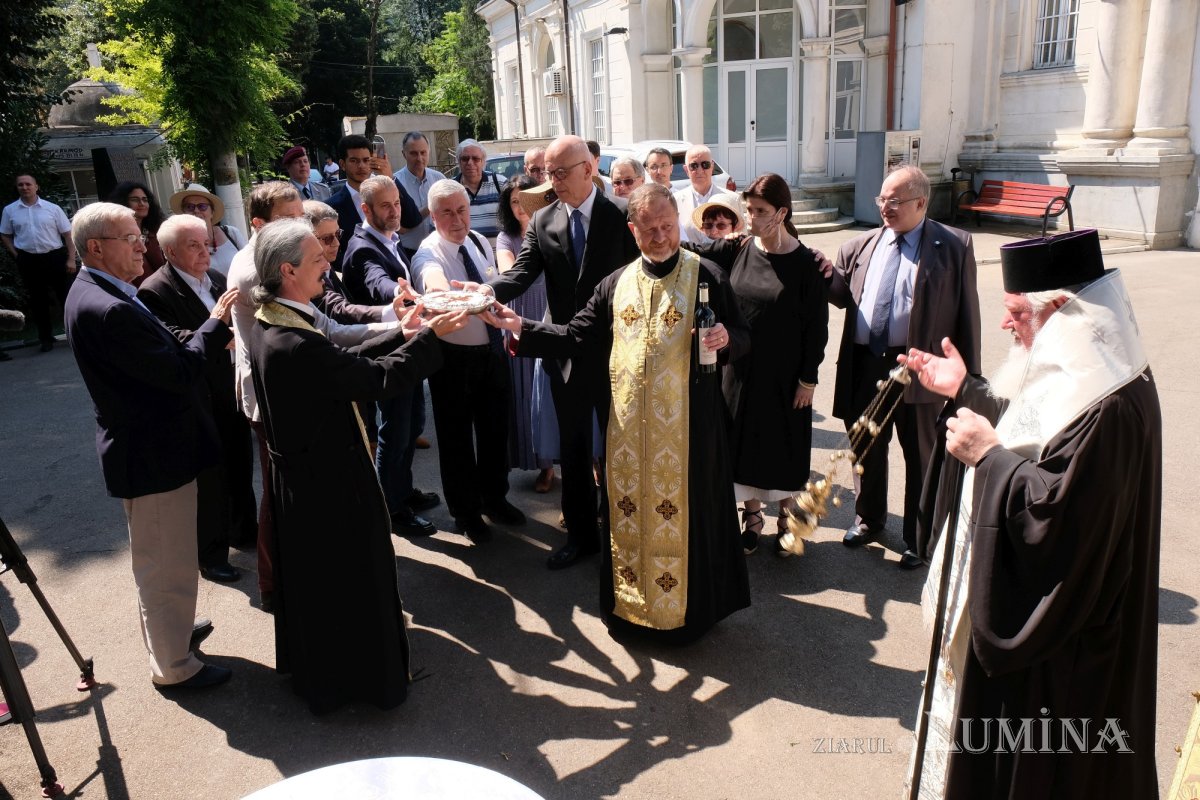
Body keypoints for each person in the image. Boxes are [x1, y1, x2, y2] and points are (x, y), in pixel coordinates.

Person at [900, 228, 1161, 799]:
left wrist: (986, 459)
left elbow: (1057, 520)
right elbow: (1036, 431)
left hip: (1065, 657)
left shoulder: (1110, 403)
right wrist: (966, 390)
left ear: (1062, 307)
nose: (1004, 324)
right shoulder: (1085, 369)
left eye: (1017, 311)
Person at [483, 183, 751, 642]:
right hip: (627, 435)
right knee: (628, 517)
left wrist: (727, 340)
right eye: (650, 229)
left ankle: (690, 615)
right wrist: (520, 327)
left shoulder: (705, 276)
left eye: (668, 226)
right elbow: (574, 335)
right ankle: (632, 608)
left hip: (688, 435)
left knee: (688, 520)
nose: (661, 237)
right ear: (634, 230)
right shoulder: (616, 284)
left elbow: (744, 338)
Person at [247, 217, 466, 714]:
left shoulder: (274, 318)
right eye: (317, 259)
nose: (328, 264)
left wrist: (402, 332)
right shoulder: (293, 342)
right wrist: (431, 337)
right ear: (287, 270)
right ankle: (363, 681)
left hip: (306, 477)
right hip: (329, 483)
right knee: (349, 580)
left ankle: (325, 672)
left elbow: (338, 359)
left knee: (321, 587)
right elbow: (369, 380)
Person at [64, 202, 238, 690]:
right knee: (165, 567)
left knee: (166, 559)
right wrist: (215, 323)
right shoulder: (109, 307)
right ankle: (175, 667)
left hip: (152, 448)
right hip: (153, 453)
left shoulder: (104, 289)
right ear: (96, 247)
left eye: (140, 234)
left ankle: (173, 634)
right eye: (130, 237)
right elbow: (177, 372)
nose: (142, 244)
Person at [228, 181, 402, 611]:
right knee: (285, 496)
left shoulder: (293, 260)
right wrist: (409, 332)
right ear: (260, 224)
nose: (304, 229)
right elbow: (327, 331)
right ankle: (278, 585)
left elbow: (329, 323)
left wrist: (397, 324)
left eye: (303, 218)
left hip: (298, 382)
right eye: (290, 219)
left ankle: (300, 584)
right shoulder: (265, 273)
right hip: (279, 394)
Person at [482, 135, 641, 569]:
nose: (552, 181)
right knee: (572, 448)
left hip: (617, 354)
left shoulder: (624, 217)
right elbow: (519, 275)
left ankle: (623, 531)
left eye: (560, 172)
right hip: (562, 351)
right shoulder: (543, 220)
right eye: (548, 173)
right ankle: (582, 535)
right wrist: (482, 291)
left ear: (589, 169)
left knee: (619, 447)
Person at [829, 164, 980, 570]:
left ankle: (919, 537)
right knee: (866, 449)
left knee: (922, 457)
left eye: (894, 201)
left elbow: (968, 318)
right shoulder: (859, 246)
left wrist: (968, 383)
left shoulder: (953, 246)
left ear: (921, 202)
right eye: (882, 199)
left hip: (919, 370)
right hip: (864, 364)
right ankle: (869, 520)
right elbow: (834, 292)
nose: (885, 208)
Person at [687, 175, 828, 554]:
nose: (750, 217)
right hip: (739, 371)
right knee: (740, 445)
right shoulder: (738, 249)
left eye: (759, 211)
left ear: (781, 213)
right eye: (748, 209)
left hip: (786, 377)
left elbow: (817, 330)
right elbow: (687, 252)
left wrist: (808, 380)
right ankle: (751, 517)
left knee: (781, 448)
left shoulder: (806, 264)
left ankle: (787, 517)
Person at [138, 213, 257, 583]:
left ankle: (245, 531)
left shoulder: (217, 279)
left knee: (240, 463)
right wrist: (221, 331)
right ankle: (211, 554)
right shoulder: (154, 290)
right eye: (194, 245)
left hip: (231, 388)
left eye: (206, 242)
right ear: (169, 251)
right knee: (210, 479)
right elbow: (177, 339)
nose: (206, 251)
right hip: (197, 396)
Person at [412, 180, 524, 542]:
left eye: (461, 209)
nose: (457, 219)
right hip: (453, 360)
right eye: (447, 212)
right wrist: (440, 294)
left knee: (495, 432)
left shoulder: (476, 241)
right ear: (432, 216)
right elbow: (433, 282)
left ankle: (495, 498)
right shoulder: (427, 253)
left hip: (491, 352)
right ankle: (465, 512)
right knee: (457, 439)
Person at [340, 175, 441, 536]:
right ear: (366, 209)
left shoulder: (388, 239)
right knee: (394, 432)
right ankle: (392, 508)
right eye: (385, 205)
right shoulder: (363, 247)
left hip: (406, 352)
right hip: (387, 357)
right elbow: (376, 280)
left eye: (397, 202)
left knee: (412, 425)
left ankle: (404, 490)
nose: (395, 210)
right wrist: (399, 294)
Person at [496, 176, 556, 494]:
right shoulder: (506, 238)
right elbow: (509, 271)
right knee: (525, 393)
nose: (520, 207)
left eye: (526, 200)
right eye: (514, 201)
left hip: (550, 313)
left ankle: (564, 465)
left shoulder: (551, 229)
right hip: (519, 315)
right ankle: (540, 465)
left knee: (549, 392)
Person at [1, 174, 76, 351]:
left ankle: (75, 334)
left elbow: (68, 234)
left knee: (66, 297)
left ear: (36, 187)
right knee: (38, 301)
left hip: (54, 256)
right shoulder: (10, 210)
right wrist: (16, 255)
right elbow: (4, 234)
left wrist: (71, 259)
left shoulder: (52, 208)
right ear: (17, 188)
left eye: (28, 184)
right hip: (28, 259)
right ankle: (46, 339)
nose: (25, 187)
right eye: (21, 185)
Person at [327, 134, 421, 271]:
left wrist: (390, 178)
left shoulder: (387, 191)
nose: (361, 166)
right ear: (342, 164)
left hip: (400, 272)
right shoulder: (332, 207)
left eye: (366, 160)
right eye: (354, 161)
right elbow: (333, 255)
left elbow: (413, 219)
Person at [169, 184, 246, 276]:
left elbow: (250, 264)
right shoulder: (181, 245)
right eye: (189, 207)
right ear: (184, 213)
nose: (196, 211)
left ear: (212, 212)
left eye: (202, 206)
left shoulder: (232, 233)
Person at [673, 144, 743, 244]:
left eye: (705, 165)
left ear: (712, 167)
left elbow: (742, 238)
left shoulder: (732, 199)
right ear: (686, 170)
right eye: (694, 166)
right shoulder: (675, 201)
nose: (700, 170)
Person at [393, 131, 446, 259]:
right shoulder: (395, 183)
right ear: (404, 154)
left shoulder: (439, 179)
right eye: (413, 153)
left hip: (439, 252)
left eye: (423, 152)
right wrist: (432, 204)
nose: (419, 158)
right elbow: (397, 225)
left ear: (429, 152)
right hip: (409, 253)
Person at [108, 181, 166, 284]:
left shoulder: (158, 232)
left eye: (145, 200)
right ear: (122, 203)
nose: (142, 204)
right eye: (135, 200)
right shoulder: (117, 236)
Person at [452, 139, 507, 240]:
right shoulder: (450, 189)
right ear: (458, 162)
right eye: (465, 158)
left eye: (476, 159)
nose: (470, 163)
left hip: (498, 254)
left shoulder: (500, 183)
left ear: (483, 162)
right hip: (464, 254)